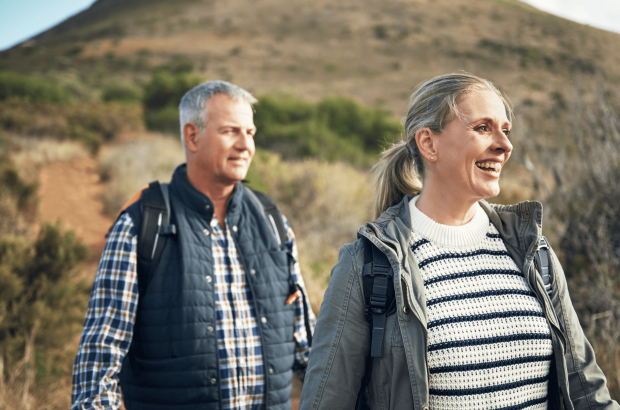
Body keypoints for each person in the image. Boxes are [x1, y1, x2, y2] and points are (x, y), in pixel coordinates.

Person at [299, 72, 619, 410]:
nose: (505, 145)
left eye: (505, 130)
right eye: (483, 128)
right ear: (428, 143)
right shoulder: (366, 265)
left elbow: (587, 392)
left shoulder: (532, 251)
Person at [71, 80, 316, 410]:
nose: (246, 145)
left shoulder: (272, 221)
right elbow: (98, 362)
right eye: (231, 131)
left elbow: (309, 349)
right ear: (192, 136)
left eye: (251, 132)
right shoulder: (141, 225)